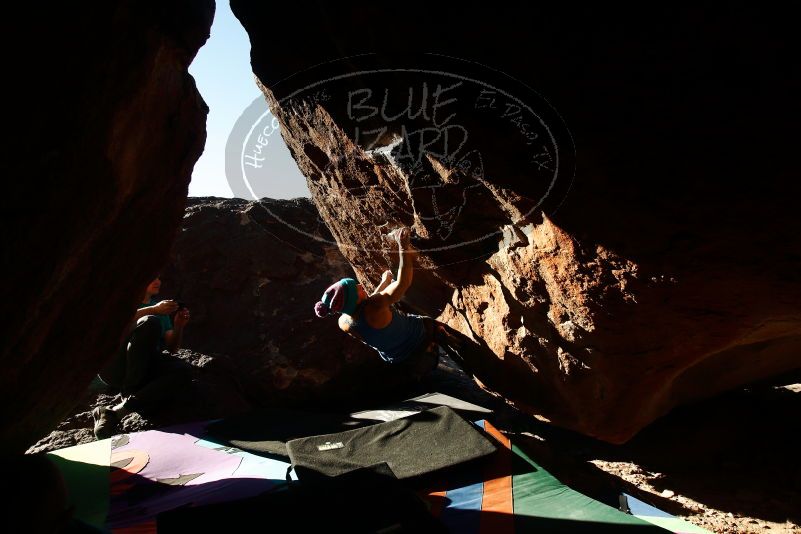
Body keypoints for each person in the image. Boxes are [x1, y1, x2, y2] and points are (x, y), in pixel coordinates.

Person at [314, 227, 460, 379]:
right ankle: (441, 336)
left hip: (404, 362)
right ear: (353, 299)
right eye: (356, 288)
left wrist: (384, 282)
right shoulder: (375, 305)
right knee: (427, 321)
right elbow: (403, 282)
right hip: (424, 349)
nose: (360, 285)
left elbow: (369, 305)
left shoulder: (343, 321)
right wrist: (403, 247)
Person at [92, 276, 190, 439]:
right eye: (152, 277)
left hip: (144, 366)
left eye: (159, 277)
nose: (157, 281)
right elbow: (114, 326)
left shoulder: (160, 310)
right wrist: (153, 311)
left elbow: (172, 348)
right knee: (150, 322)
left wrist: (179, 326)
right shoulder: (121, 302)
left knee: (183, 370)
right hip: (115, 365)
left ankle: (116, 412)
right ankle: (131, 390)